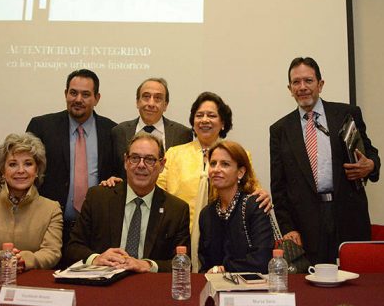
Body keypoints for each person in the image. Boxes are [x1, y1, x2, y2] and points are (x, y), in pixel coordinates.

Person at [270, 57, 381, 264]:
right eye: (296, 82)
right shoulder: (280, 130)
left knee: (357, 283)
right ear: (289, 88)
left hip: (349, 216)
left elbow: (371, 154)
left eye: (308, 80)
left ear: (320, 84)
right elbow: (279, 186)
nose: (302, 87)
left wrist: (371, 165)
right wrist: (288, 228)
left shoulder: (347, 114)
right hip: (306, 223)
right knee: (314, 289)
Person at [157, 92, 272, 271]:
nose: (204, 120)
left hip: (224, 240)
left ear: (223, 122)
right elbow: (156, 191)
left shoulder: (238, 153)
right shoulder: (174, 154)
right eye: (199, 115)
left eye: (212, 115)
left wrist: (263, 195)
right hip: (179, 237)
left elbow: (252, 190)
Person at [66, 132, 190, 273]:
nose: (141, 165)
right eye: (135, 158)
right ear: (126, 161)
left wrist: (148, 265)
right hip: (104, 286)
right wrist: (96, 259)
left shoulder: (176, 210)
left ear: (162, 165)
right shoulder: (98, 198)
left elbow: (182, 263)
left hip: (149, 288)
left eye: (150, 159)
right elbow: (73, 247)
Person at [26, 69, 117, 256]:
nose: (78, 99)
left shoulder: (112, 131)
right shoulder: (42, 127)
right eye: (73, 92)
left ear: (97, 98)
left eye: (86, 94)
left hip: (96, 232)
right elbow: (27, 174)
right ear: (65, 93)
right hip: (49, 229)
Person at [0, 133, 63, 272]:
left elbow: (52, 253)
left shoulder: (52, 208)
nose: (21, 170)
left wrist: (24, 260)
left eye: (28, 164)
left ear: (37, 170)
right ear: (3, 171)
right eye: (13, 164)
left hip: (31, 285)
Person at [199, 141, 273, 273]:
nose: (216, 169)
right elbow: (205, 264)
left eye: (225, 164)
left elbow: (262, 260)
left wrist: (224, 268)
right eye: (213, 163)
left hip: (253, 289)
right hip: (216, 288)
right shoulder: (206, 214)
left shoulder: (254, 205)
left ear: (240, 172)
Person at [112, 77, 192, 177]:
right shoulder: (119, 131)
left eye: (158, 98)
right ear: (137, 102)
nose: (151, 103)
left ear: (165, 105)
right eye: (146, 97)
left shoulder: (182, 134)